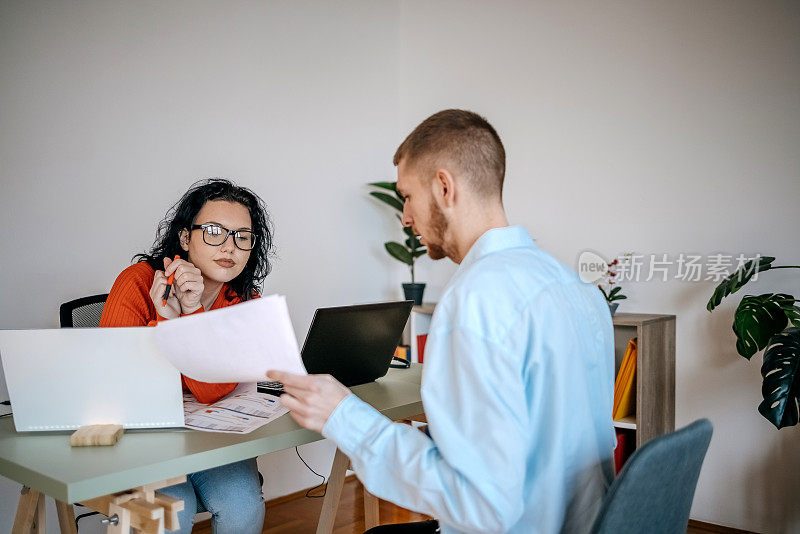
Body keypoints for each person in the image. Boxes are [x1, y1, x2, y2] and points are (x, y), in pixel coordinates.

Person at [269, 110, 616, 534]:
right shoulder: (575, 287)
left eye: (407, 196)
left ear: (444, 186)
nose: (404, 218)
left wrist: (343, 416)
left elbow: (480, 506)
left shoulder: (475, 300)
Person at [100, 178, 274, 534]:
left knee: (243, 505)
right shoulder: (137, 282)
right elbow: (118, 382)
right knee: (174, 511)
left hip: (211, 436)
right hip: (142, 437)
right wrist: (165, 321)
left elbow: (214, 390)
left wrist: (190, 313)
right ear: (184, 238)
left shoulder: (243, 300)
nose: (230, 246)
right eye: (214, 231)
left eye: (243, 235)